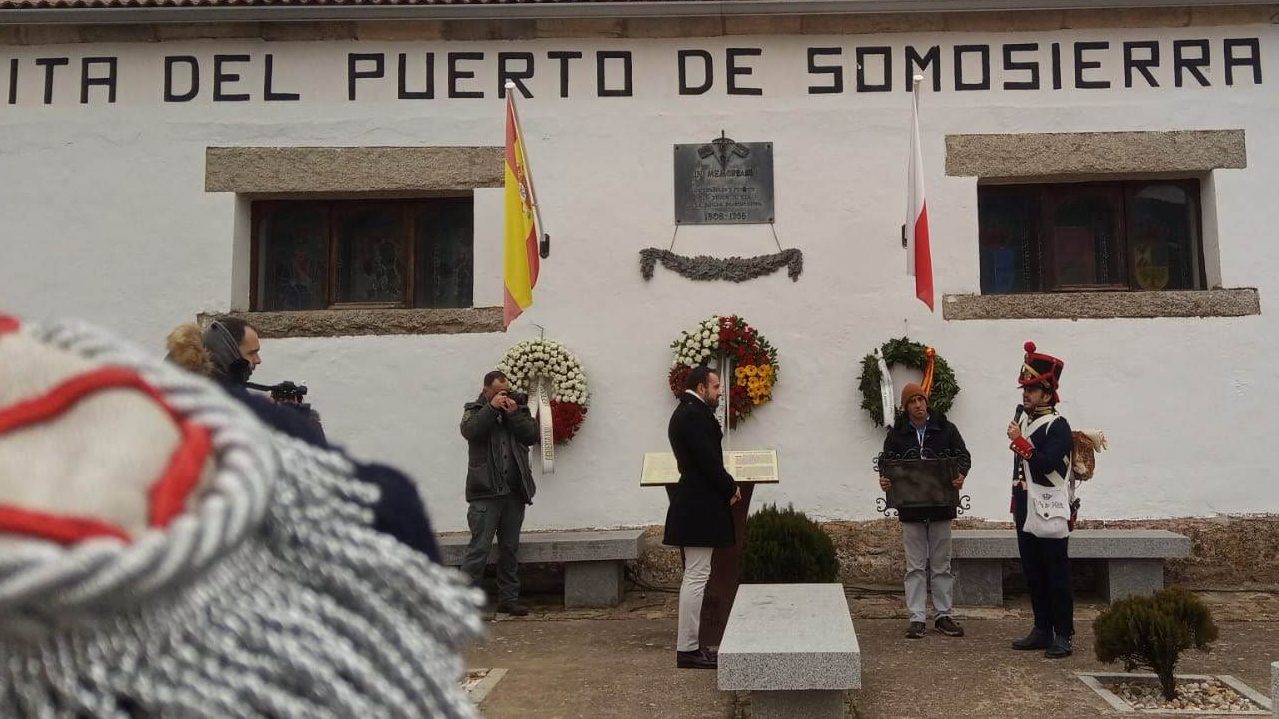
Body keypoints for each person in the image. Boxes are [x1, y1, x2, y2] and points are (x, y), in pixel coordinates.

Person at [0, 313, 483, 718]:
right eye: (252, 354)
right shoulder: (248, 432)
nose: (258, 362)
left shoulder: (142, 400)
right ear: (228, 356)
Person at [879, 382, 971, 639]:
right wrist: (885, 478)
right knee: (915, 566)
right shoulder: (897, 434)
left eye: (921, 400)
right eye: (912, 402)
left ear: (926, 402)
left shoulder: (946, 429)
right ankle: (917, 618)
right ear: (906, 407)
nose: (918, 405)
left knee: (941, 564)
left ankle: (943, 615)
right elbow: (886, 462)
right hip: (911, 507)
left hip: (941, 504)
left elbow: (963, 456)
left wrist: (960, 474)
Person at [663, 365, 741, 670]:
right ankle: (688, 649)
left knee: (697, 575)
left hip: (697, 502)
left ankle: (691, 646)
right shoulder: (693, 415)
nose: (720, 392)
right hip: (698, 504)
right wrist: (729, 486)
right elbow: (707, 460)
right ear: (701, 386)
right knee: (696, 576)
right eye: (716, 387)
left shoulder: (689, 411)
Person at [1007, 340, 1075, 659]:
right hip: (1025, 508)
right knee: (1033, 572)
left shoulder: (1058, 426)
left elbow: (1046, 463)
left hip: (1051, 508)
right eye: (1025, 390)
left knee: (1056, 573)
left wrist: (1020, 443)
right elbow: (1020, 471)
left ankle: (1063, 633)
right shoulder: (1025, 423)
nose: (1026, 395)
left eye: (1032, 390)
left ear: (1047, 394)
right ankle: (1041, 628)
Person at [459, 370, 539, 616]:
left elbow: (532, 435)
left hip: (514, 493)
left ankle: (509, 599)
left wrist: (513, 414)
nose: (503, 396)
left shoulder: (519, 409)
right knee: (479, 549)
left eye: (505, 391)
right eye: (498, 393)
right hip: (485, 492)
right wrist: (492, 409)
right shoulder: (474, 409)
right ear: (486, 391)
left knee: (509, 548)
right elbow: (470, 432)